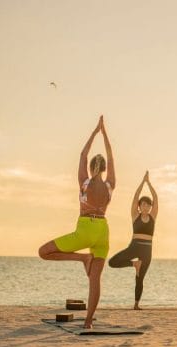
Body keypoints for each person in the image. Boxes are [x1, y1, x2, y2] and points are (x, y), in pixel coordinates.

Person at [38, 115, 115, 329]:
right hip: (103, 232)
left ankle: (82, 258)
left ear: (91, 167)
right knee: (95, 281)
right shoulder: (110, 184)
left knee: (43, 252)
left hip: (86, 229)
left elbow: (82, 154)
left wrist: (94, 132)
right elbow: (111, 156)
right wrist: (106, 134)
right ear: (105, 168)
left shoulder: (85, 182)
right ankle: (88, 322)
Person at [108, 170, 158, 310]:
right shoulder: (135, 215)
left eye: (148, 205)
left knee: (140, 278)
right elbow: (136, 196)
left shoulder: (153, 216)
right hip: (134, 246)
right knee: (112, 262)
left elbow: (156, 198)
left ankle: (136, 304)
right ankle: (133, 264)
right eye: (143, 205)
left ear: (150, 207)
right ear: (139, 206)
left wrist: (149, 183)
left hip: (147, 250)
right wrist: (143, 182)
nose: (146, 207)